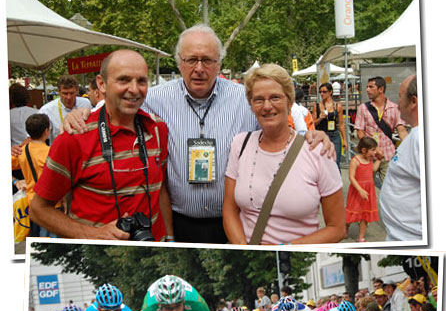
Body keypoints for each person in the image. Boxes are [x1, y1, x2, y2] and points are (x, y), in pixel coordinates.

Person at [61, 25, 334, 244]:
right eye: (191, 59)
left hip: (235, 222)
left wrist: (311, 136)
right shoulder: (155, 98)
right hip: (180, 222)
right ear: (179, 62)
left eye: (207, 60)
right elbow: (117, 102)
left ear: (219, 63)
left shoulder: (246, 99)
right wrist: (82, 112)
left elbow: (278, 123)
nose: (199, 68)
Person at [30, 50, 173, 242]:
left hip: (153, 253)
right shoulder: (74, 137)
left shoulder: (158, 129)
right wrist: (94, 235)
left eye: (141, 81)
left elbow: (160, 188)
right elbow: (38, 210)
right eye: (123, 80)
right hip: (97, 261)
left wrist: (170, 238)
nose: (134, 89)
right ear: (101, 84)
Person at [223, 64, 345, 245]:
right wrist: (244, 249)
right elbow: (229, 208)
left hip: (292, 260)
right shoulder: (240, 144)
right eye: (258, 99)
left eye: (275, 97)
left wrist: (284, 251)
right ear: (251, 105)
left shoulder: (318, 150)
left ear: (289, 102)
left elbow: (337, 229)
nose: (267, 106)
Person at [379, 74, 422, 241]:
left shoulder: (421, 138)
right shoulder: (415, 135)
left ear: (413, 101)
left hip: (413, 241)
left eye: (400, 96)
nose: (397, 103)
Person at [11, 113, 62, 237]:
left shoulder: (21, 151)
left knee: (37, 235)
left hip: (32, 202)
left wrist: (15, 181)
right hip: (52, 203)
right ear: (46, 131)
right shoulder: (51, 152)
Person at [355, 76, 407, 184]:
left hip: (388, 155)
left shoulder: (395, 108)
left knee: (390, 189)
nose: (367, 90)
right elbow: (360, 131)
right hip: (369, 156)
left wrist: (411, 147)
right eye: (367, 87)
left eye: (371, 87)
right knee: (366, 188)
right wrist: (373, 147)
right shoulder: (363, 108)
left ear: (381, 89)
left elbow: (401, 130)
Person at [345, 137, 381, 242]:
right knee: (352, 212)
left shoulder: (369, 159)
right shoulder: (355, 161)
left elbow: (373, 169)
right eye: (373, 150)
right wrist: (360, 190)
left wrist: (378, 160)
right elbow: (351, 177)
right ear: (364, 150)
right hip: (357, 190)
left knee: (365, 214)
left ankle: (361, 237)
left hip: (369, 190)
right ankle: (346, 227)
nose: (375, 152)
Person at [39, 75, 91, 144]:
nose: (69, 97)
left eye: (72, 93)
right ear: (59, 92)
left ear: (77, 91)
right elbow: (36, 138)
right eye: (65, 93)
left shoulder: (86, 103)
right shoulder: (46, 110)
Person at [312, 82, 348, 170]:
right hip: (322, 136)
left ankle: (337, 182)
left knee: (336, 162)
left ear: (330, 92)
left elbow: (341, 123)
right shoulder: (317, 106)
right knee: (322, 163)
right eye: (320, 92)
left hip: (334, 135)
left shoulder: (337, 106)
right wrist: (320, 118)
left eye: (324, 92)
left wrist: (344, 140)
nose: (322, 94)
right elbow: (313, 124)